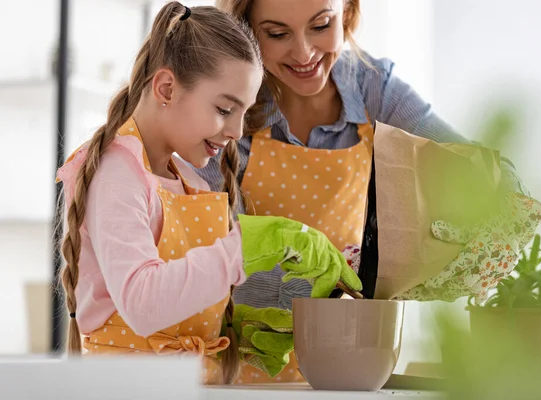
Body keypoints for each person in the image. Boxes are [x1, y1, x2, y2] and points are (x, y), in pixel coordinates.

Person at [191, 0, 541, 382]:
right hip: (241, 363)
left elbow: (486, 172)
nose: (305, 53)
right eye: (277, 34)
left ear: (347, 13)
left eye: (321, 25)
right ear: (246, 32)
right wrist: (332, 277)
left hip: (348, 364)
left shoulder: (373, 86)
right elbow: (204, 257)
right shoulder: (223, 108)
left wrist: (480, 213)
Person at [55, 2, 360, 386]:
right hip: (124, 389)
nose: (235, 131)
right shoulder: (117, 172)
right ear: (166, 88)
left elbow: (187, 289)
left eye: (242, 114)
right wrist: (241, 248)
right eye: (223, 109)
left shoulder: (187, 180)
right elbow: (143, 303)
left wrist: (245, 326)